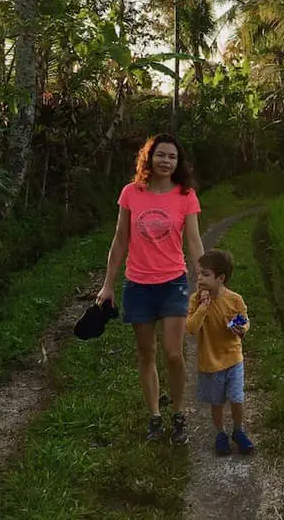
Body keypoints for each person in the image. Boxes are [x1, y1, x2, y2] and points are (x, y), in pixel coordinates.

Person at [97, 133, 204, 445]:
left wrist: (204, 279)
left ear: (178, 162)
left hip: (173, 283)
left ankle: (180, 414)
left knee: (174, 354)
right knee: (147, 353)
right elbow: (119, 239)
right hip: (138, 284)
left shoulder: (186, 195)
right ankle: (155, 416)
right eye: (161, 155)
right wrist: (107, 285)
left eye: (172, 157)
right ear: (149, 157)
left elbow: (194, 240)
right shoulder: (131, 193)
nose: (166, 161)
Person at [187, 249, 255, 455]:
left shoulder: (234, 300)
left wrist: (242, 328)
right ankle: (220, 433)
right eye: (198, 273)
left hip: (234, 358)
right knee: (216, 402)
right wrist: (203, 307)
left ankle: (238, 430)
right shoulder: (195, 300)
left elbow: (245, 319)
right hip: (210, 362)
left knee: (236, 398)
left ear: (221, 278)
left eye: (205, 274)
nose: (199, 278)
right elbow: (191, 328)